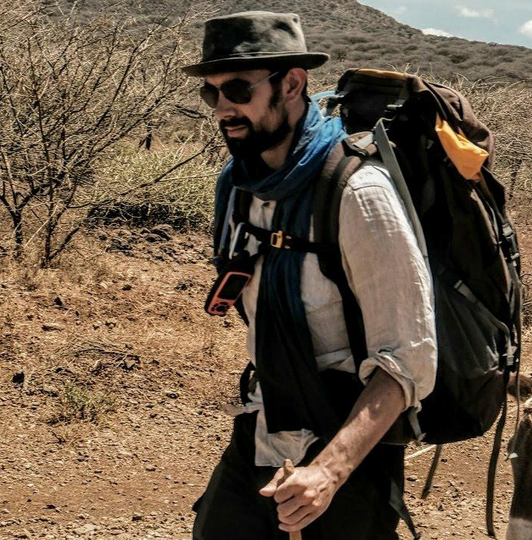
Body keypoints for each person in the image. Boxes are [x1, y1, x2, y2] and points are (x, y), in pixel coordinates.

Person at [181, 11, 437, 539]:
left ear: (292, 83)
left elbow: (409, 356)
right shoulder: (239, 187)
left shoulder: (358, 194)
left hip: (349, 446)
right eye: (211, 94)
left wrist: (330, 471)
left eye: (236, 89)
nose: (223, 108)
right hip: (264, 423)